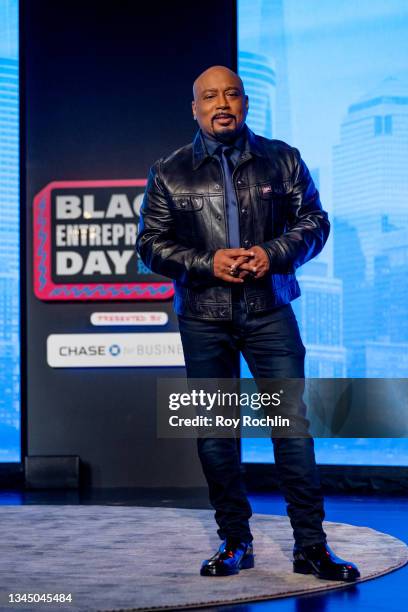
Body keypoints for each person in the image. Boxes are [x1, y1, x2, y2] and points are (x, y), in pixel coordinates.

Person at [136, 65, 360, 582]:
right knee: (215, 434)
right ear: (194, 108)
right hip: (203, 317)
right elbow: (149, 244)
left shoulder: (283, 160)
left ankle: (311, 547)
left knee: (291, 430)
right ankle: (235, 541)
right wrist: (206, 263)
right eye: (210, 96)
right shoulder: (169, 171)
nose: (222, 103)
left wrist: (272, 252)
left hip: (269, 312)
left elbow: (315, 222)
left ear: (245, 103)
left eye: (231, 94)